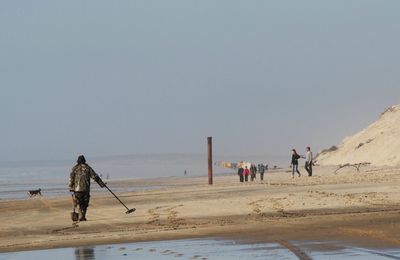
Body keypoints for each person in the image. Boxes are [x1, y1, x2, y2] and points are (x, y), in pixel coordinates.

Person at [69, 155, 105, 221]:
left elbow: (71, 178)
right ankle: (83, 216)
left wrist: (70, 187)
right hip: (86, 188)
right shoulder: (88, 168)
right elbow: (95, 176)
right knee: (85, 203)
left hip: (77, 189)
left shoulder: (75, 168)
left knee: (79, 202)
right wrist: (101, 184)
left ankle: (80, 216)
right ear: (84, 161)